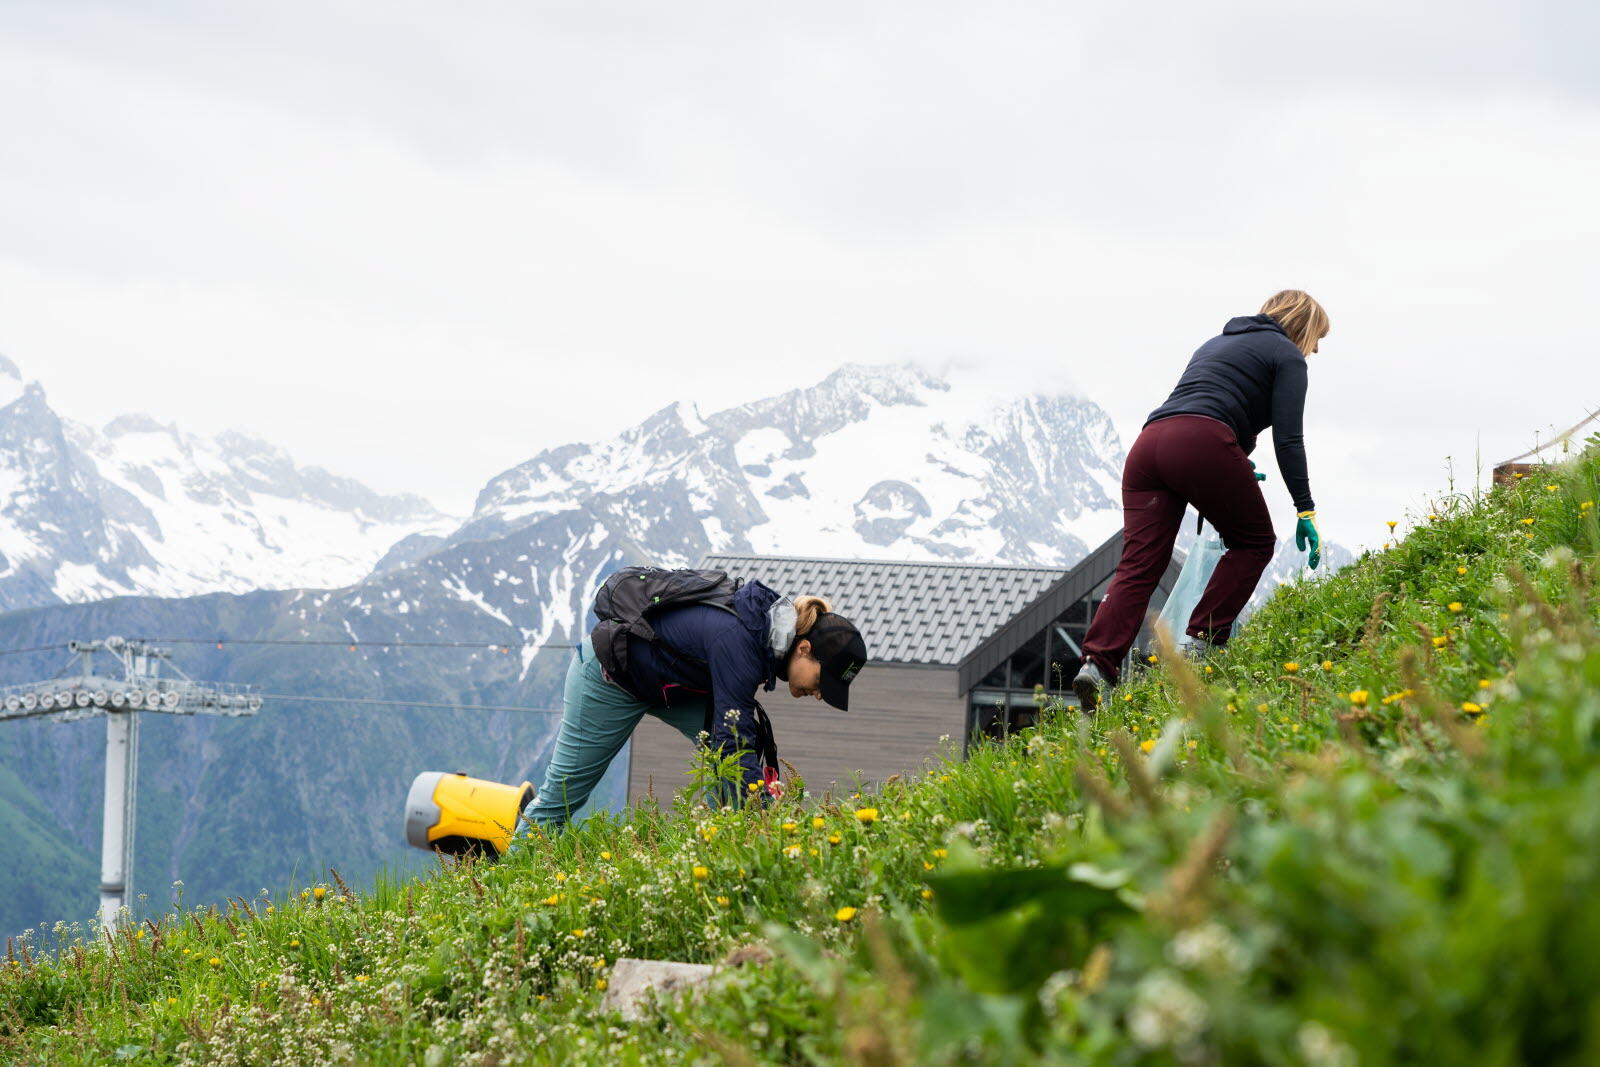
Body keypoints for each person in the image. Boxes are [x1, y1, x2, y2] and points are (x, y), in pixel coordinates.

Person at [1072, 290, 1328, 710]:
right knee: (1254, 542)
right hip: (1201, 443)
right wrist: (1305, 507)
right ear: (1304, 326)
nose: (1316, 348)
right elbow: (1288, 437)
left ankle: (1096, 665)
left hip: (1150, 445)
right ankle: (1200, 647)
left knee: (1140, 564)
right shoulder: (1288, 356)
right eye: (1318, 338)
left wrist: (1233, 460)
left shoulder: (1215, 343)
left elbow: (1209, 401)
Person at [515, 574, 869, 835]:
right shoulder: (742, 642)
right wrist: (767, 819)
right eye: (823, 683)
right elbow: (734, 741)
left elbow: (736, 739)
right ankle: (509, 883)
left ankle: (719, 846)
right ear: (804, 649)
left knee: (730, 762)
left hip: (666, 683)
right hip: (610, 675)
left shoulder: (766, 634)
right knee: (562, 795)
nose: (820, 695)